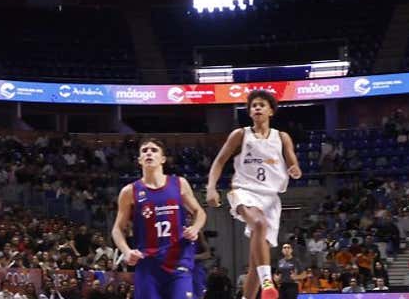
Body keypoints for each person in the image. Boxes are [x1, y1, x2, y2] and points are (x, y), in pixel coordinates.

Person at [206, 91, 302, 299]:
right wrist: (211, 187)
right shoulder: (240, 134)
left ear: (271, 111)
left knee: (255, 263)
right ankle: (268, 281)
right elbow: (219, 161)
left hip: (271, 198)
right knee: (258, 224)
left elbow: (293, 161)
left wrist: (295, 169)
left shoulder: (282, 137)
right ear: (249, 112)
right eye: (253, 106)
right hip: (245, 192)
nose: (257, 108)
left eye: (262, 105)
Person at [111, 138, 205, 299]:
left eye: (154, 150)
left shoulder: (179, 183)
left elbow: (199, 212)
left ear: (162, 159)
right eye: (144, 150)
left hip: (178, 259)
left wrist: (195, 228)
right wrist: (126, 251)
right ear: (139, 160)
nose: (149, 152)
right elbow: (117, 229)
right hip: (148, 262)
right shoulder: (129, 191)